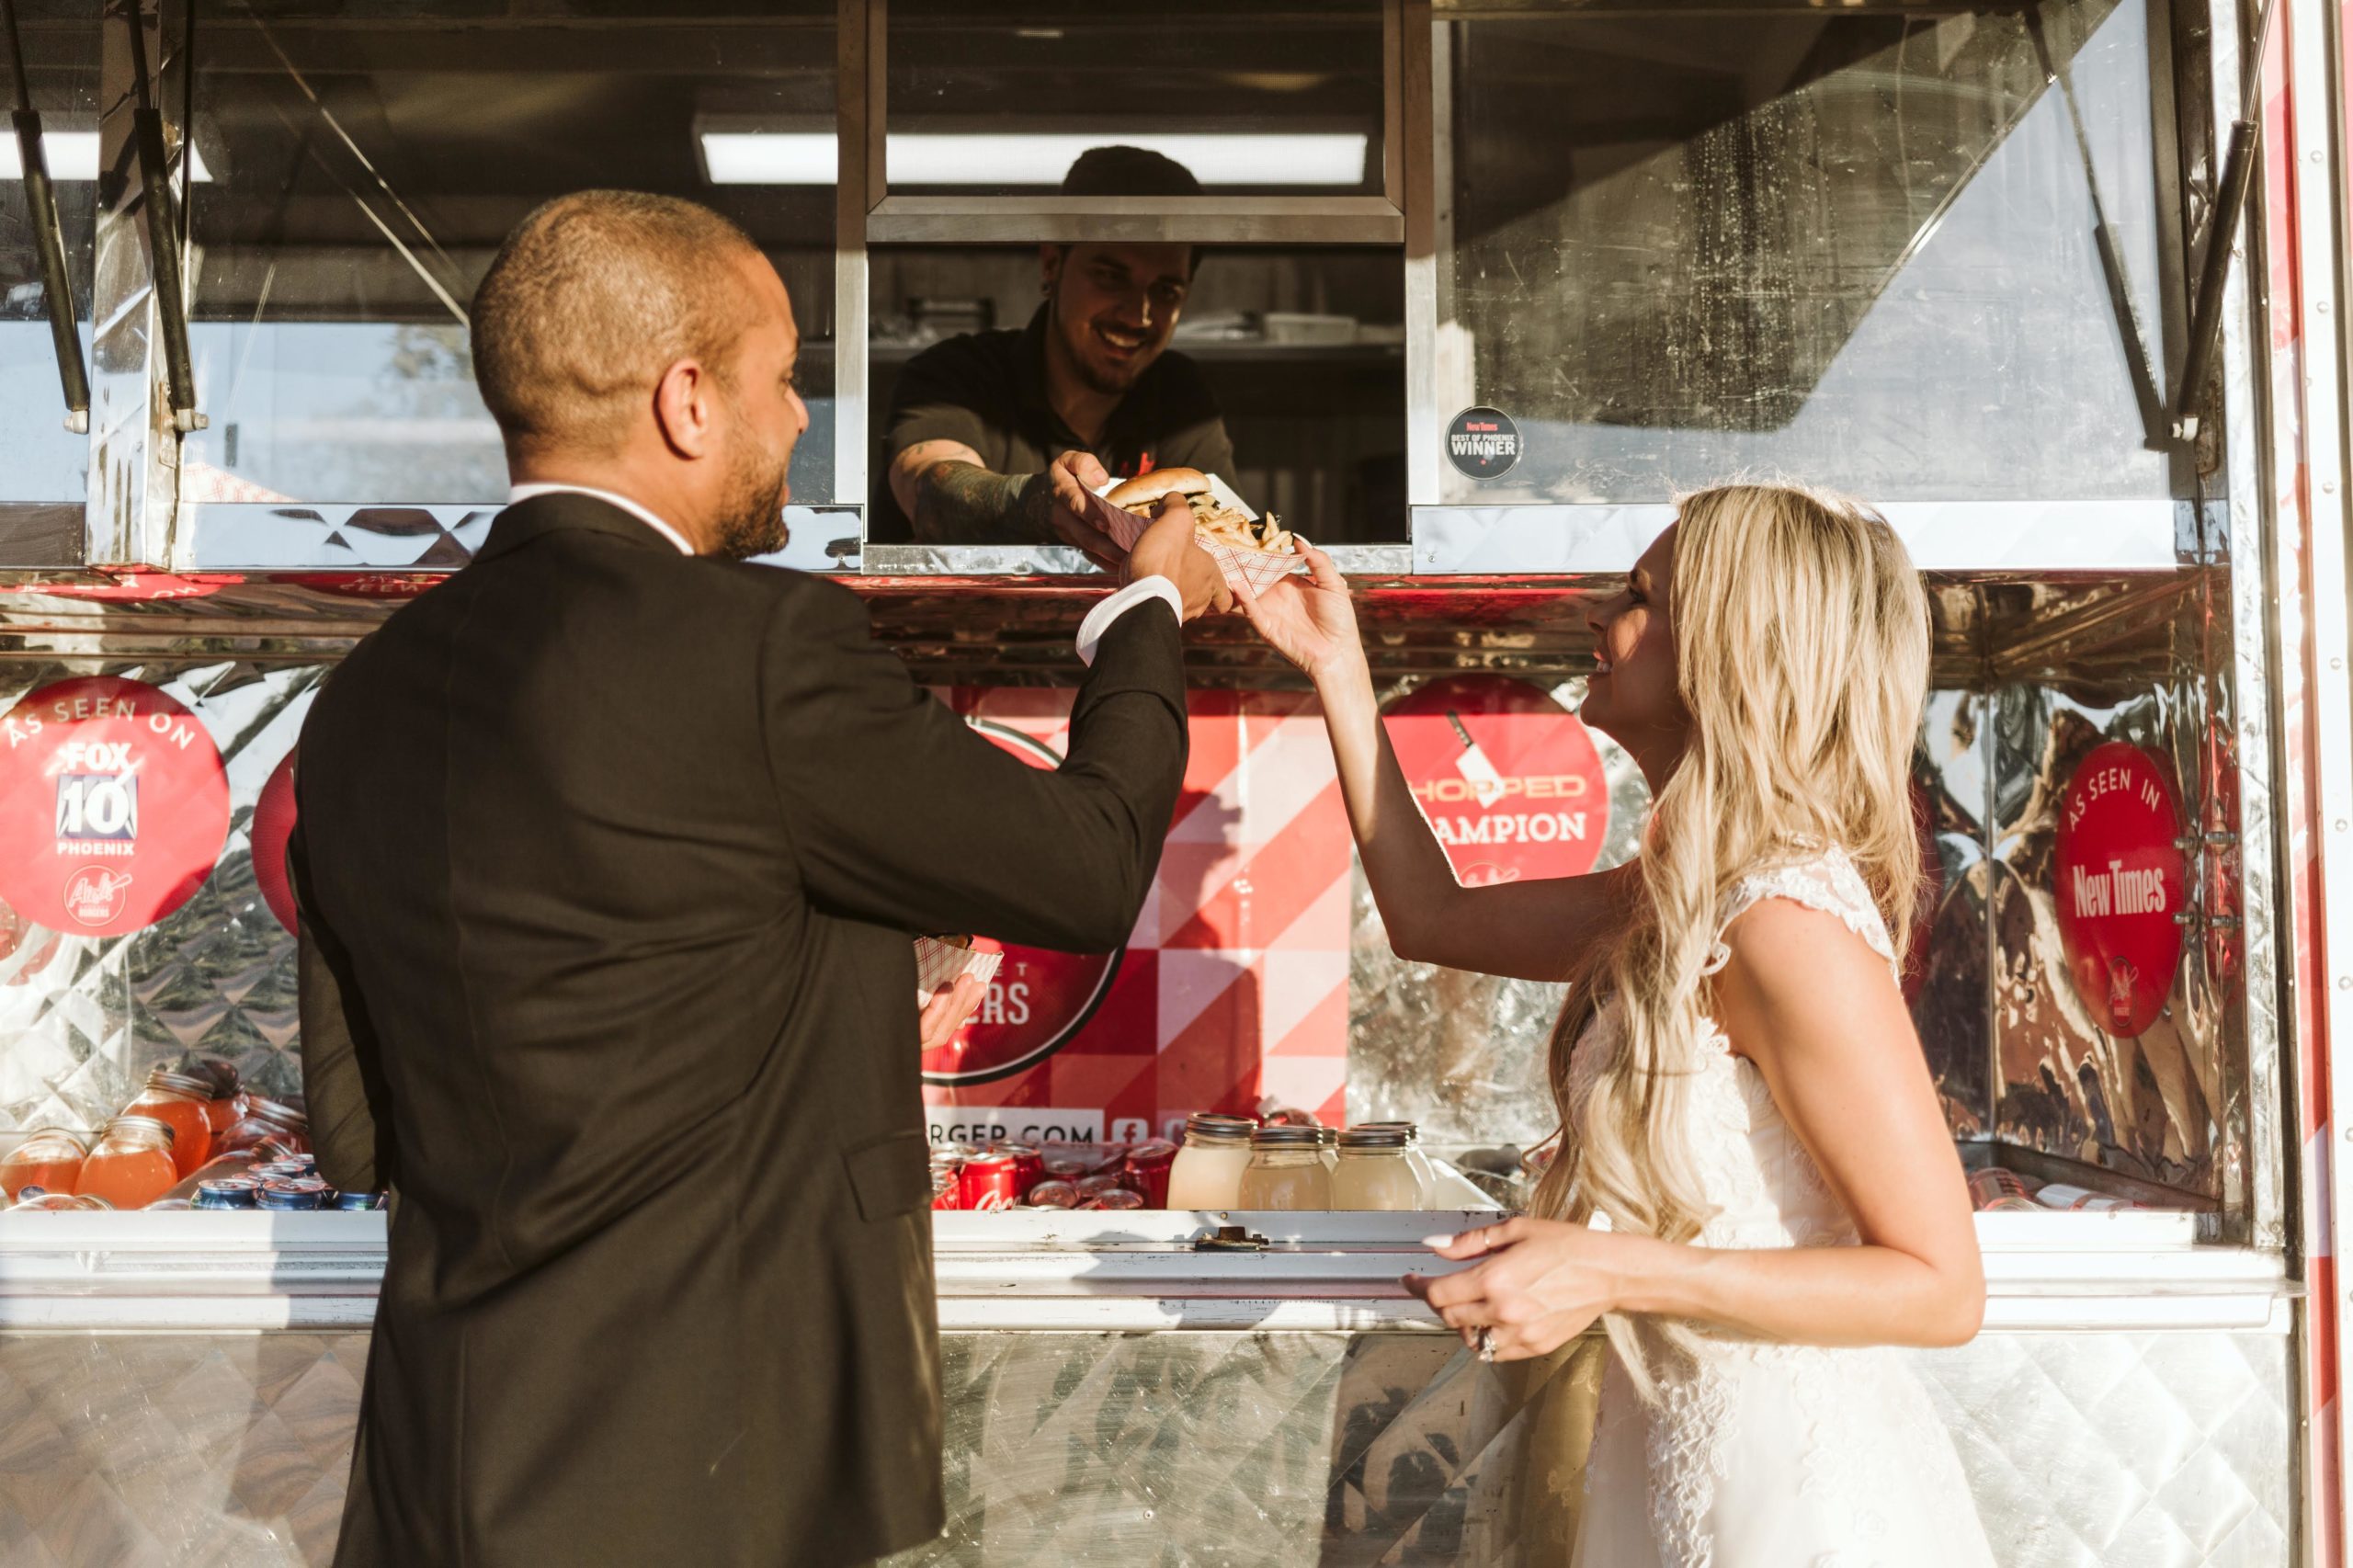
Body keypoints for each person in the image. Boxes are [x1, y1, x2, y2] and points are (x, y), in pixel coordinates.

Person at [288, 190, 1227, 1568]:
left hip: (442, 1475)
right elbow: (1085, 867)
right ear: (686, 402)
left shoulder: (356, 704)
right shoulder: (768, 646)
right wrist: (1145, 610)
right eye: (783, 379)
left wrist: (831, 957)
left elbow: (360, 1135)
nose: (798, 421)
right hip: (713, 1482)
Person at [1239, 483, 1995, 1564]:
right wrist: (1335, 661)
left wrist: (1611, 1268)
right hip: (1675, 1463)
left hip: (1791, 1502)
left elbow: (1941, 1284)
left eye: (1639, 596)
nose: (1598, 613)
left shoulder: (1782, 921)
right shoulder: (1685, 895)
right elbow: (1427, 915)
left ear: (1729, 648)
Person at [878, 145, 1236, 553]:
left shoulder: (1178, 392)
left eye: (1166, 290)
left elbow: (1222, 530)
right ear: (1052, 263)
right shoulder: (955, 372)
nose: (1138, 315)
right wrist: (1038, 505)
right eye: (1110, 276)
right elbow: (929, 493)